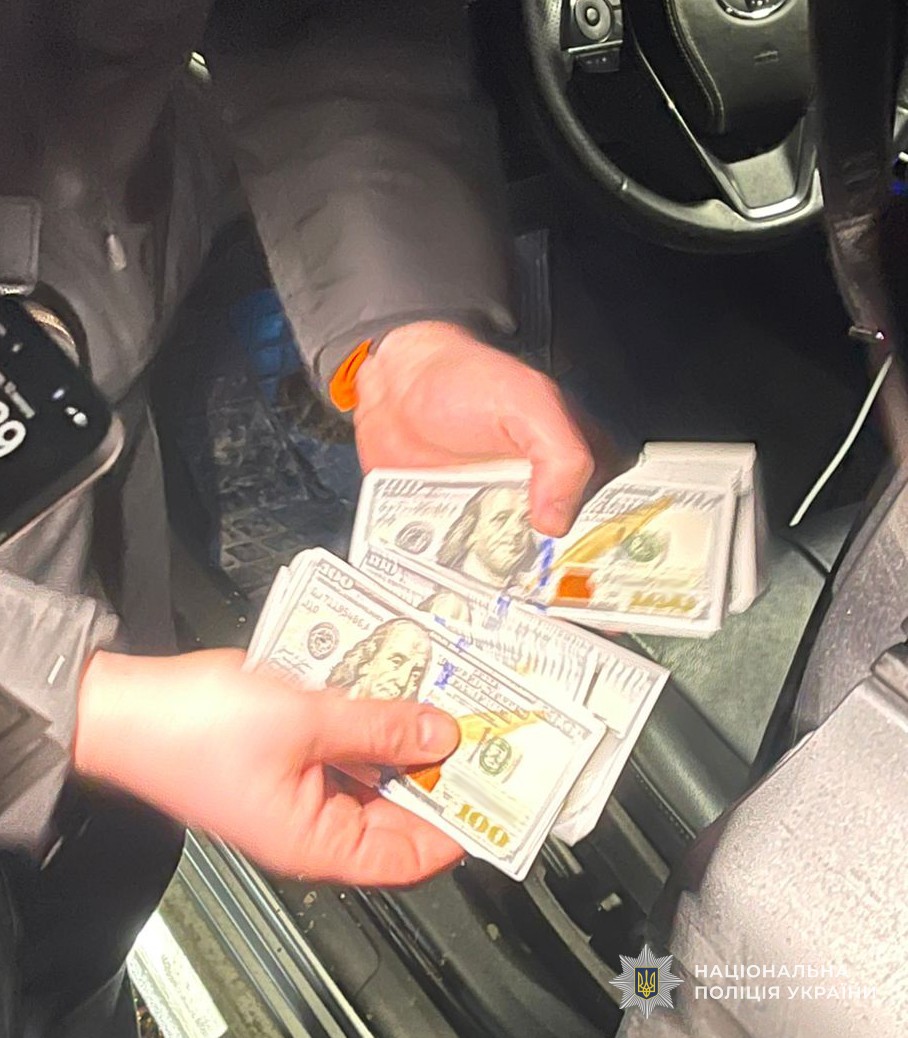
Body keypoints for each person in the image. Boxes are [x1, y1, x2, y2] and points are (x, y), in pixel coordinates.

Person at [0, 1, 606, 1035]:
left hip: (87, 406)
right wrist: (74, 708)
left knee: (97, 912)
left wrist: (400, 330)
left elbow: (316, 19)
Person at [437, 484, 538, 586]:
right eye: (501, 519)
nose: (518, 530)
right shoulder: (446, 589)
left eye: (526, 522)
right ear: (470, 533)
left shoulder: (531, 590)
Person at [327, 619, 431, 702]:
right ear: (366, 663)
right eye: (396, 662)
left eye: (415, 675)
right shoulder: (322, 708)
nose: (402, 682)